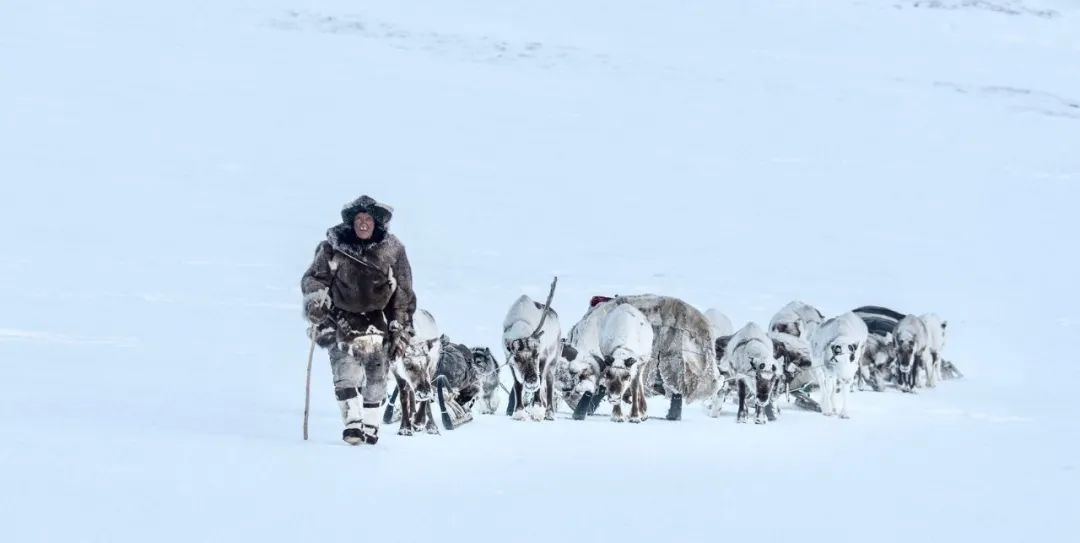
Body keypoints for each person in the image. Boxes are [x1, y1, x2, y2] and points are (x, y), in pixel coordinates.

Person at [301, 195, 416, 445]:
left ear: (377, 223)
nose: (363, 223)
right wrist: (316, 301)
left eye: (368, 219)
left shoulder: (393, 250)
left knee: (376, 377)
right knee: (345, 372)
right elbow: (314, 279)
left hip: (376, 323)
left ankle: (371, 424)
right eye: (359, 219)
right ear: (352, 222)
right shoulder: (332, 248)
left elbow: (403, 294)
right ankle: (353, 424)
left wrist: (400, 327)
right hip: (340, 318)